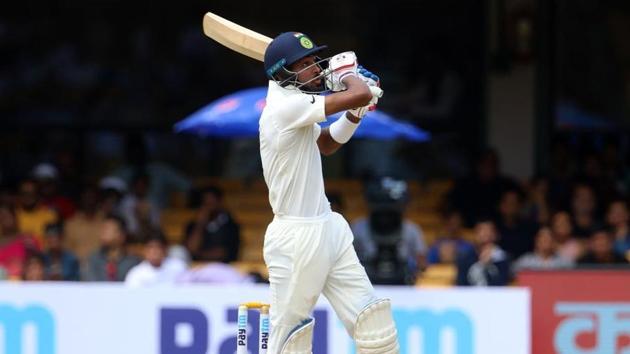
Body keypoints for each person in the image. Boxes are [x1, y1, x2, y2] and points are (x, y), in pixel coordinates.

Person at [259, 33, 398, 353]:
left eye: (314, 61)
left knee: (374, 326)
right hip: (295, 238)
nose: (317, 70)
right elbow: (358, 91)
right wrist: (349, 75)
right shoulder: (284, 107)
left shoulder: (297, 104)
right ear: (282, 73)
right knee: (289, 340)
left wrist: (354, 115)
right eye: (305, 64)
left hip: (327, 226)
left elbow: (326, 144)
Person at [352, 177, 426, 284]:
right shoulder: (358, 227)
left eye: (390, 214)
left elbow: (422, 262)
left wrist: (415, 268)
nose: (385, 219)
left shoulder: (412, 229)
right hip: (365, 281)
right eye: (381, 213)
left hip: (402, 282)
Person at [184, 186, 240, 263]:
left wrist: (198, 254)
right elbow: (190, 250)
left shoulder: (231, 226)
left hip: (223, 268)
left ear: (220, 202)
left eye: (211, 203)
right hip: (197, 269)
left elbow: (223, 253)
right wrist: (200, 225)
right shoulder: (193, 225)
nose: (208, 207)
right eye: (205, 203)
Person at [84, 214, 141, 281]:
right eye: (103, 229)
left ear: (121, 236)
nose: (103, 232)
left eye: (107, 229)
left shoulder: (133, 263)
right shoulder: (93, 260)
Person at [456, 219, 511, 286]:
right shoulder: (465, 257)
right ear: (475, 235)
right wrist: (481, 264)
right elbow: (461, 285)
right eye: (482, 231)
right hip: (470, 295)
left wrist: (487, 264)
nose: (487, 235)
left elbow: (502, 285)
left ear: (496, 236)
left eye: (490, 232)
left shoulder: (503, 258)